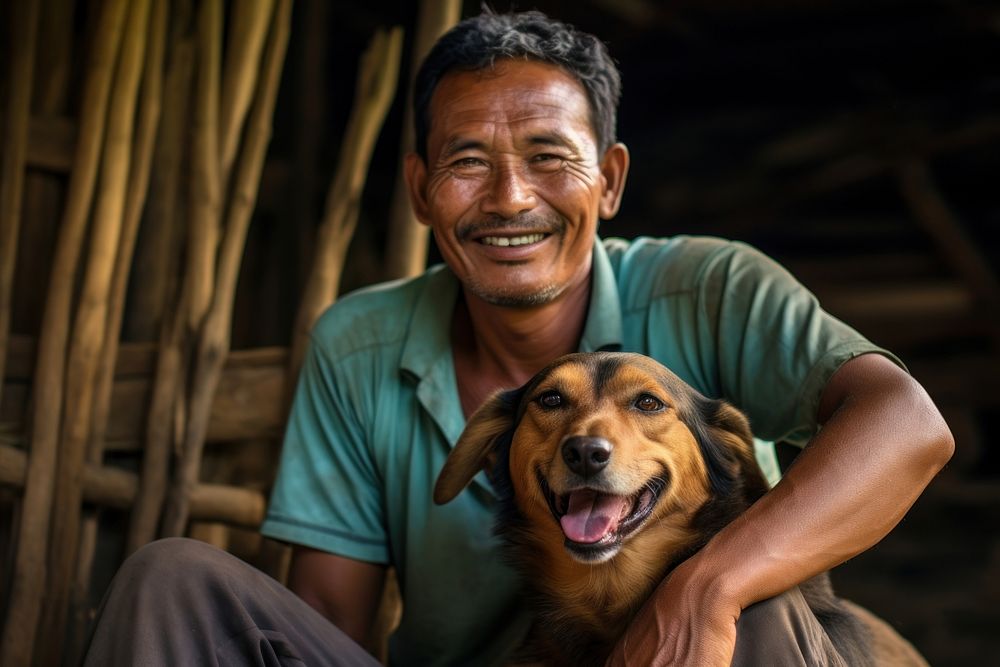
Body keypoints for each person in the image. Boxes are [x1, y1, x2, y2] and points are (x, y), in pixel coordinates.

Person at [83, 9, 953, 666]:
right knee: (171, 577)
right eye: (467, 162)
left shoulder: (710, 285)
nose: (507, 199)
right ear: (421, 191)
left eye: (548, 156)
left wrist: (708, 587)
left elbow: (910, 425)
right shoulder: (357, 344)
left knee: (758, 610)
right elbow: (328, 625)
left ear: (608, 180)